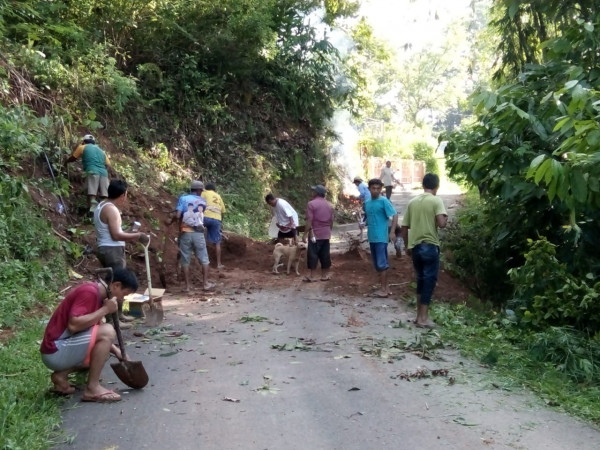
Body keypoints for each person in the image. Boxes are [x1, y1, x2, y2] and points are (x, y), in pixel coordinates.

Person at [40, 268, 139, 403]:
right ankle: (92, 388)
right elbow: (74, 325)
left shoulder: (100, 296)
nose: (122, 299)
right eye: (124, 294)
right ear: (116, 285)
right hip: (56, 350)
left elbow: (92, 331)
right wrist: (105, 310)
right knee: (108, 331)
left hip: (62, 347)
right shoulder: (89, 292)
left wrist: (117, 352)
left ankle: (61, 376)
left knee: (101, 351)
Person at [94, 179, 149, 328]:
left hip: (105, 247)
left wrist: (130, 233)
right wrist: (138, 236)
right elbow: (116, 235)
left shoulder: (101, 206)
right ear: (123, 195)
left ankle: (118, 315)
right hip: (112, 249)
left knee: (112, 282)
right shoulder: (111, 209)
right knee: (117, 285)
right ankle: (114, 320)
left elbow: (114, 232)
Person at [401, 173, 448, 328]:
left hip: (415, 247)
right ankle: (424, 318)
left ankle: (418, 316)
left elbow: (404, 227)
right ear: (436, 186)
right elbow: (441, 224)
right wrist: (445, 217)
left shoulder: (413, 202)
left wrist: (408, 246)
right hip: (430, 245)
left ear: (423, 185)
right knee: (429, 281)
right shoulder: (436, 200)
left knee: (420, 280)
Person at [175, 180, 213, 292]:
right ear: (198, 190)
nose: (202, 192)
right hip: (198, 233)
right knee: (204, 259)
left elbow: (178, 216)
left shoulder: (183, 198)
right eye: (201, 190)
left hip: (185, 233)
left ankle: (187, 287)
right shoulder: (203, 201)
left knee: (185, 260)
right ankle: (205, 284)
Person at [364, 178, 397, 298]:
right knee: (378, 264)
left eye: (378, 188)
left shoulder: (384, 201)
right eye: (374, 188)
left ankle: (383, 289)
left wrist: (392, 231)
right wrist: (364, 223)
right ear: (369, 189)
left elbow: (394, 215)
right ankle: (386, 288)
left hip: (381, 237)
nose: (376, 190)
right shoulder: (367, 203)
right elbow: (368, 217)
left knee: (381, 263)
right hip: (372, 237)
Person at [64, 134, 112, 210]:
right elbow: (108, 165)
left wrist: (66, 162)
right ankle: (104, 213)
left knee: (92, 193)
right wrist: (102, 170)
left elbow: (73, 158)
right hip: (104, 173)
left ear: (83, 141)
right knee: (105, 196)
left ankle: (92, 212)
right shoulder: (101, 151)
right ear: (94, 143)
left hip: (92, 171)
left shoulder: (82, 147)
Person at [302, 185, 334, 282]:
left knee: (313, 254)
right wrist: (329, 231)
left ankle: (312, 276)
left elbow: (309, 220)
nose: (312, 192)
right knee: (325, 254)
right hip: (326, 233)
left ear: (316, 193)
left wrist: (304, 234)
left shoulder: (311, 204)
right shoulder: (330, 205)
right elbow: (332, 221)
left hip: (315, 233)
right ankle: (324, 275)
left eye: (313, 191)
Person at [202, 182, 226, 270]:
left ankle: (201, 262)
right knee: (217, 242)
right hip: (216, 219)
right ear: (214, 190)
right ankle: (219, 264)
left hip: (205, 217)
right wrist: (220, 222)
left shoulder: (204, 193)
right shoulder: (218, 196)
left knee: (199, 236)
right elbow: (223, 211)